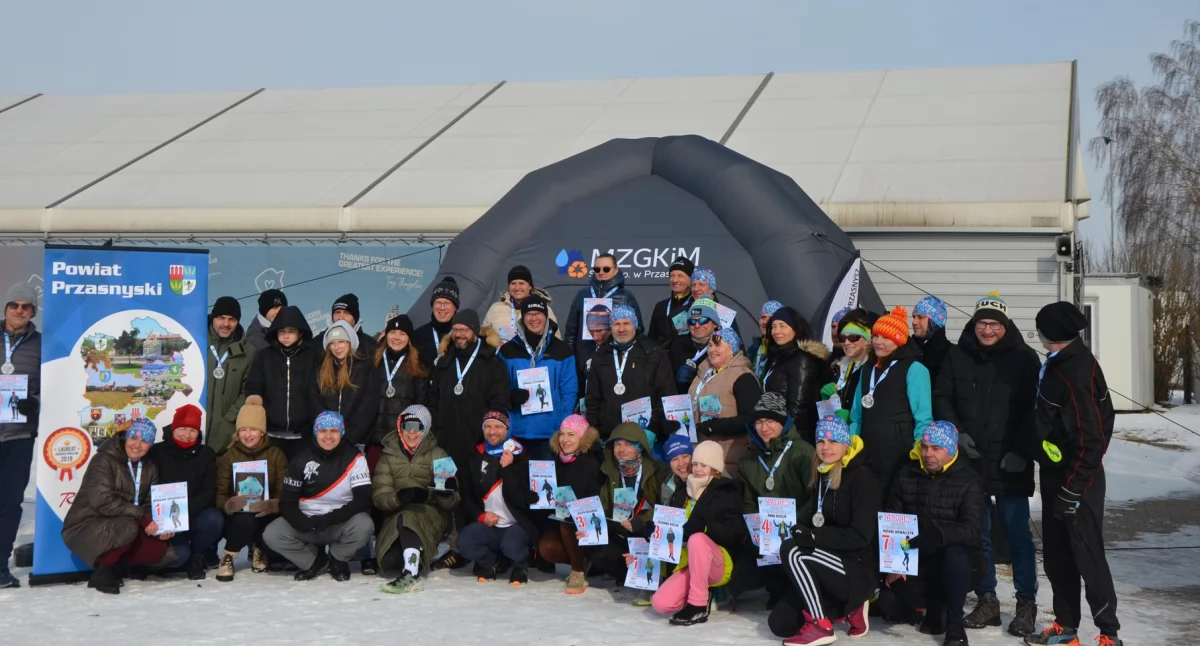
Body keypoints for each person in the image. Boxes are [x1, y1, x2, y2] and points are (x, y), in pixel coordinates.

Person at [934, 292, 1041, 636]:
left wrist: (1022, 451)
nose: (988, 329)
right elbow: (942, 398)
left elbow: (1033, 411)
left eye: (995, 323)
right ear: (974, 323)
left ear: (1005, 326)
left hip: (1011, 461)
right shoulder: (957, 355)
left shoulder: (1025, 359)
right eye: (983, 322)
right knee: (978, 534)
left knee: (1016, 535)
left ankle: (1026, 603)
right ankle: (988, 598)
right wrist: (958, 434)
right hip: (970, 461)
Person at [1025, 302, 1122, 646]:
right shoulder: (1057, 364)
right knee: (1057, 553)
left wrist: (1074, 489)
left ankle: (1108, 632)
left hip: (1079, 480)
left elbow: (1093, 438)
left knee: (1086, 554)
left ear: (1049, 332)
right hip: (1057, 475)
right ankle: (1066, 625)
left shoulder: (1076, 370)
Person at [770, 415, 878, 643]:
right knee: (781, 624)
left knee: (793, 550)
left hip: (856, 567)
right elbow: (819, 517)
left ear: (845, 444)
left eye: (832, 441)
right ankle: (851, 608)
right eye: (821, 441)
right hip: (828, 562)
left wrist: (813, 536)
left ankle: (821, 624)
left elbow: (861, 535)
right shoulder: (822, 471)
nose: (825, 447)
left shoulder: (862, 477)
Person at [881, 421, 985, 646]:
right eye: (925, 447)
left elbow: (972, 529)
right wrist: (895, 566)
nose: (928, 454)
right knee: (889, 602)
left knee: (956, 552)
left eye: (936, 448)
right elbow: (892, 520)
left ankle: (955, 624)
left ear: (951, 450)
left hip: (956, 562)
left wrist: (939, 535)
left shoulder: (970, 480)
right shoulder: (906, 474)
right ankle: (931, 608)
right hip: (915, 557)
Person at [427, 308, 510, 570]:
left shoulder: (491, 362)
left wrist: (489, 436)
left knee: (475, 495)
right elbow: (433, 401)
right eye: (456, 330)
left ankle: (479, 546)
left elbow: (499, 402)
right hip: (446, 442)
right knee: (449, 494)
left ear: (475, 331)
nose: (460, 334)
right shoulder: (444, 362)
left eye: (465, 329)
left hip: (478, 443)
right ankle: (455, 548)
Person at [61, 419, 178, 594]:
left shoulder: (149, 467)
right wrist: (142, 518)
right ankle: (103, 572)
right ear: (126, 437)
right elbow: (102, 501)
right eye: (133, 438)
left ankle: (120, 565)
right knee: (128, 527)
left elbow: (147, 504)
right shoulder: (103, 460)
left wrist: (160, 525)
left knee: (160, 549)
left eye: (144, 441)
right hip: (87, 523)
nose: (137, 445)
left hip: (124, 521)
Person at [726, 392, 816, 605]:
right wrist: (756, 534)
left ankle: (790, 588)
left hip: (798, 531)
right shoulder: (749, 459)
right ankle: (775, 583)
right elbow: (748, 502)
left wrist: (796, 525)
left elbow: (815, 496)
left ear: (783, 422)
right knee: (741, 578)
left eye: (770, 421)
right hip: (767, 534)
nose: (763, 427)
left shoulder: (803, 452)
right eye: (758, 421)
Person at [263, 411, 374, 582]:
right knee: (272, 533)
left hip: (339, 522)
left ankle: (338, 560)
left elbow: (363, 499)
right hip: (308, 522)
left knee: (365, 524)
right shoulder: (301, 458)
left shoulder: (356, 458)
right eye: (323, 431)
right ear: (316, 432)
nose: (328, 436)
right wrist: (301, 522)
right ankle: (313, 561)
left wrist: (330, 519)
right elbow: (287, 501)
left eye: (334, 431)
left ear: (342, 432)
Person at [649, 441, 748, 626]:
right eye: (695, 465)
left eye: (704, 465)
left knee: (697, 539)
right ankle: (702, 591)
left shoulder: (726, 491)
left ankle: (698, 605)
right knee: (660, 604)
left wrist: (705, 530)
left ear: (715, 468)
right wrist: (653, 530)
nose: (698, 469)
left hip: (718, 560)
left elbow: (734, 532)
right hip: (689, 561)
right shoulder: (682, 491)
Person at [375, 405, 460, 594]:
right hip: (395, 515)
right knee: (389, 563)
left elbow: (452, 502)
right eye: (407, 426)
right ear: (400, 428)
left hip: (429, 514)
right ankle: (415, 556)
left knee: (408, 517)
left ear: (426, 428)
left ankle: (411, 574)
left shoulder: (439, 454)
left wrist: (444, 493)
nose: (412, 432)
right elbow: (380, 497)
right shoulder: (388, 455)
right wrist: (400, 497)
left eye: (417, 427)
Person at [850, 306, 934, 490]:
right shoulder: (867, 369)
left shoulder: (915, 369)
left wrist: (918, 451)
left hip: (900, 458)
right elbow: (856, 415)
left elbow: (923, 417)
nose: (879, 342)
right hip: (867, 457)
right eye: (876, 336)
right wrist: (851, 445)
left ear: (899, 340)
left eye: (886, 338)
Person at [459, 409, 540, 585]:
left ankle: (520, 565)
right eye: (487, 426)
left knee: (512, 546)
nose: (492, 431)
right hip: (490, 524)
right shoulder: (475, 456)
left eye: (498, 426)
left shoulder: (522, 456)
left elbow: (523, 499)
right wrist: (480, 516)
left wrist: (508, 469)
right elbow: (466, 495)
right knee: (465, 542)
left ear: (508, 429)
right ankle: (490, 562)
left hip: (516, 524)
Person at [214, 395, 287, 582]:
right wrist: (228, 504)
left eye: (253, 429)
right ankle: (229, 554)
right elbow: (220, 493)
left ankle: (259, 548)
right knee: (245, 520)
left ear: (262, 432)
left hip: (267, 513)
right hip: (240, 516)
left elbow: (283, 490)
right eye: (243, 430)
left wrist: (274, 504)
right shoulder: (229, 456)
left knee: (272, 523)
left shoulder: (276, 455)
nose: (247, 435)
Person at [499, 293, 577, 461]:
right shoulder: (507, 350)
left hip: (549, 434)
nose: (534, 318)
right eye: (529, 314)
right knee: (515, 484)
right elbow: (497, 387)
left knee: (544, 485)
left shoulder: (562, 351)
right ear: (523, 317)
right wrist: (510, 396)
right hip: (516, 431)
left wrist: (560, 424)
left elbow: (569, 392)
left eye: (539, 313)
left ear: (546, 316)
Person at [148, 404, 223, 579]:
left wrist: (184, 512)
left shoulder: (207, 454)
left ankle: (197, 556)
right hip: (163, 517)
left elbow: (209, 490)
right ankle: (181, 556)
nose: (187, 435)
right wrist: (161, 519)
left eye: (192, 430)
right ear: (173, 428)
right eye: (182, 428)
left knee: (214, 519)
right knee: (179, 555)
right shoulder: (156, 452)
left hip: (193, 512)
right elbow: (148, 486)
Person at [584, 305, 676, 444]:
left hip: (643, 435)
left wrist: (652, 429)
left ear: (635, 325)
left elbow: (665, 394)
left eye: (626, 323)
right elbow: (592, 400)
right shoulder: (601, 356)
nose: (621, 329)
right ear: (611, 327)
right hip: (609, 437)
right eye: (616, 324)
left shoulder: (653, 353)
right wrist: (594, 430)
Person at [594, 423, 667, 596]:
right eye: (617, 444)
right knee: (599, 552)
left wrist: (640, 521)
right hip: (621, 531)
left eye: (628, 444)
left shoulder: (659, 471)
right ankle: (626, 573)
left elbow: (667, 509)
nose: (621, 449)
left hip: (647, 531)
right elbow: (604, 506)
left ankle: (652, 577)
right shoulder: (609, 472)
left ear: (640, 447)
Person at [536, 414, 605, 594]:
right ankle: (585, 561)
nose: (565, 440)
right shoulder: (556, 459)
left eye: (571, 434)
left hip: (587, 524)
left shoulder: (591, 462)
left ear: (583, 437)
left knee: (567, 521)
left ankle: (578, 572)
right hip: (561, 519)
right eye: (562, 434)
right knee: (546, 547)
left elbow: (592, 499)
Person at [0, 282, 40, 589]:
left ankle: (0, 565)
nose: (19, 310)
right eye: (15, 305)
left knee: (11, 503)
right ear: (5, 309)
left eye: (26, 306)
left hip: (19, 435)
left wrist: (34, 402)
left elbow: (49, 384)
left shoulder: (41, 344)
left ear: (33, 312)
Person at [244, 305, 320, 459]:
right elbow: (254, 386)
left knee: (300, 479)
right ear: (275, 333)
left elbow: (319, 391)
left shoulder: (313, 356)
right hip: (270, 434)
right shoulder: (265, 356)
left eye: (291, 331)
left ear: (299, 333)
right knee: (274, 478)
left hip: (303, 435)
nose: (286, 336)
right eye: (282, 331)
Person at [687, 327, 761, 477]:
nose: (712, 350)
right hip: (700, 454)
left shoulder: (743, 377)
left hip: (727, 459)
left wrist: (714, 426)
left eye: (718, 345)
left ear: (731, 349)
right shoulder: (703, 373)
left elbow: (750, 419)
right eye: (709, 345)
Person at [762, 306, 833, 439]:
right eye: (773, 326)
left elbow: (798, 408)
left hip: (791, 436)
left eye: (782, 326)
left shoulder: (801, 359)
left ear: (795, 329)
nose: (776, 331)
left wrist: (784, 436)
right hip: (773, 430)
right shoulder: (777, 357)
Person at [309, 320, 380, 448]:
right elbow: (315, 402)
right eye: (332, 343)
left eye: (341, 341)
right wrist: (328, 433)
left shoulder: (365, 368)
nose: (337, 347)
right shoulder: (321, 370)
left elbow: (368, 407)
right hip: (327, 440)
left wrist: (349, 438)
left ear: (350, 343)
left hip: (355, 441)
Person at [372, 313, 429, 472]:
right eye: (392, 332)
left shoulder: (417, 367)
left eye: (402, 333)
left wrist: (410, 438)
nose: (396, 337)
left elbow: (421, 407)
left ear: (409, 339)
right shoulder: (373, 362)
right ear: (386, 335)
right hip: (373, 442)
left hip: (401, 443)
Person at [205, 296, 256, 453]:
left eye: (231, 319)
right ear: (213, 318)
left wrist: (230, 419)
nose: (226, 324)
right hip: (192, 430)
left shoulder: (248, 351)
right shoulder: (194, 342)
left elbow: (249, 388)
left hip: (226, 438)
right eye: (221, 318)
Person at [564, 253, 643, 351]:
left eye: (606, 269)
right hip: (585, 352)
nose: (601, 272)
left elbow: (638, 328)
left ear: (616, 270)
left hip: (613, 353)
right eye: (597, 269)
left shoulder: (625, 296)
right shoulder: (582, 294)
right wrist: (570, 356)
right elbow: (571, 331)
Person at [483, 265, 560, 344]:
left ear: (530, 286)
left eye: (521, 283)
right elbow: (483, 336)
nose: (517, 288)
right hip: (499, 355)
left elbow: (556, 340)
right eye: (513, 283)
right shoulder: (496, 308)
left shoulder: (543, 309)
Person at [828, 308, 875, 414]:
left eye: (853, 337)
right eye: (842, 338)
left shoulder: (874, 369)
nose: (847, 343)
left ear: (867, 340)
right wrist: (826, 401)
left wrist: (852, 418)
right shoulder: (837, 367)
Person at [668, 298, 720, 394]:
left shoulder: (723, 347)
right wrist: (676, 381)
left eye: (703, 320)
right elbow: (665, 383)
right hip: (683, 405)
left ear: (715, 324)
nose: (697, 325)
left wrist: (696, 378)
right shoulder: (678, 346)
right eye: (692, 321)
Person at [413, 276, 460, 373]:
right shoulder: (417, 336)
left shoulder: (464, 335)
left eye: (447, 303)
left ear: (455, 307)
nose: (442, 308)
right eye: (438, 302)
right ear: (432, 306)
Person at [648, 256, 697, 345]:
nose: (675, 280)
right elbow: (651, 340)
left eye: (680, 276)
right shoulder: (661, 306)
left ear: (691, 279)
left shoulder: (696, 305)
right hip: (662, 357)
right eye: (672, 276)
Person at [910, 295, 954, 388]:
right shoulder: (906, 350)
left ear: (934, 322)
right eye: (914, 317)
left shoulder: (952, 354)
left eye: (920, 317)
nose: (914, 322)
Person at [574, 304, 611, 399]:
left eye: (599, 331)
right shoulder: (584, 351)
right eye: (591, 331)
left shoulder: (619, 352)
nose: (595, 337)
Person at [749, 300, 784, 383]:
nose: (765, 322)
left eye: (770, 318)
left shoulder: (783, 351)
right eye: (763, 317)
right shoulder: (754, 348)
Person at [660, 434, 693, 506]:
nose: (681, 464)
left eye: (685, 456)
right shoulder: (668, 486)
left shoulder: (708, 480)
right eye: (674, 459)